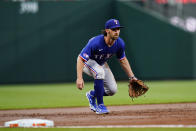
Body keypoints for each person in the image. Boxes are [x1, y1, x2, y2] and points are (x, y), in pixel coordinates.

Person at [76, 19, 137, 114]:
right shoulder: (96, 42)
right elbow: (81, 59)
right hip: (87, 62)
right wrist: (79, 78)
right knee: (99, 72)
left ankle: (92, 95)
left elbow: (123, 60)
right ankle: (100, 105)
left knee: (112, 90)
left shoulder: (119, 43)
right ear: (107, 30)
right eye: (114, 29)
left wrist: (132, 77)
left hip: (101, 63)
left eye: (118, 29)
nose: (117, 31)